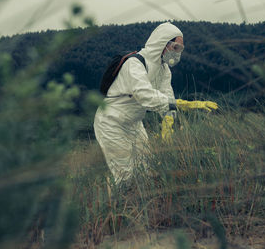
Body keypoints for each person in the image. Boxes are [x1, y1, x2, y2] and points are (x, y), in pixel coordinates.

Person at [93, 22, 217, 185]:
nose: (176, 53)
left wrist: (168, 120)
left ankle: (142, 206)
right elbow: (144, 95)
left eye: (180, 48)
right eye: (174, 47)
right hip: (112, 124)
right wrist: (181, 104)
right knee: (126, 176)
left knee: (146, 170)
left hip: (134, 124)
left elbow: (166, 95)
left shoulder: (164, 70)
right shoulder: (135, 63)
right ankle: (118, 207)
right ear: (162, 43)